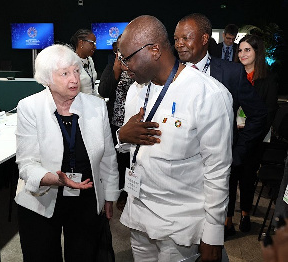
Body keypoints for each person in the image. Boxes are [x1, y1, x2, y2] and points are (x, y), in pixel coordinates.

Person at [118, 15, 234, 262]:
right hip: (138, 217)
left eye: (127, 58)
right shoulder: (135, 91)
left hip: (179, 227)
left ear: (154, 50)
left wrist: (213, 235)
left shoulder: (208, 94)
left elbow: (217, 170)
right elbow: (133, 148)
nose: (124, 66)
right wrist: (122, 137)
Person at [14, 44, 120, 262]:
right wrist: (57, 179)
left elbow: (108, 156)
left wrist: (109, 195)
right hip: (40, 198)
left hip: (86, 195)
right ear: (46, 79)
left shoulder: (96, 106)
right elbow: (27, 164)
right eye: (64, 73)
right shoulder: (29, 107)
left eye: (76, 71)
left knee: (83, 256)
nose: (74, 79)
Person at [173, 13, 267, 238]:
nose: (179, 44)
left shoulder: (231, 73)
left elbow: (259, 115)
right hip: (180, 167)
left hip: (217, 166)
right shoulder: (171, 72)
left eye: (185, 38)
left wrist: (238, 151)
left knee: (212, 228)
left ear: (205, 38)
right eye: (176, 39)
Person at [228, 34, 279, 232]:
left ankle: (245, 214)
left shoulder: (267, 79)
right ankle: (228, 218)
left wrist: (251, 130)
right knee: (231, 177)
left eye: (247, 50)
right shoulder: (232, 75)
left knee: (247, 177)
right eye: (240, 50)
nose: (242, 54)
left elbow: (269, 112)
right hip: (233, 134)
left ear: (257, 52)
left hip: (255, 138)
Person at [98, 34, 134, 211]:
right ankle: (119, 192)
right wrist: (116, 70)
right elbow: (103, 90)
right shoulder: (112, 64)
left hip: (135, 122)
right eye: (119, 47)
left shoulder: (139, 64)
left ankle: (130, 193)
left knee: (132, 160)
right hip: (116, 122)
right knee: (117, 161)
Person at [70, 28, 97, 94]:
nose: (95, 47)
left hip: (91, 100)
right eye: (92, 43)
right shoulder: (71, 62)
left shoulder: (90, 60)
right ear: (81, 43)